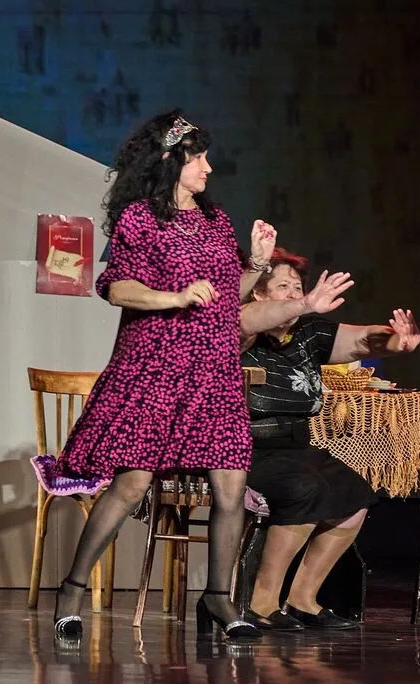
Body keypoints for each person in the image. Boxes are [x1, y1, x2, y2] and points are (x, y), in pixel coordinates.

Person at [50, 109, 277, 641]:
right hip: (157, 368)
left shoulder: (216, 221)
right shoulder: (140, 219)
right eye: (199, 158)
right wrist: (175, 297)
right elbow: (117, 287)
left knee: (231, 483)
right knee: (132, 483)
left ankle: (218, 598)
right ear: (171, 160)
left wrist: (257, 265)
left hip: (215, 370)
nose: (208, 168)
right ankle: (73, 589)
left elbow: (226, 297)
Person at [238, 247, 420, 630]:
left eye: (298, 287)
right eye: (283, 287)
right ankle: (262, 603)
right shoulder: (241, 331)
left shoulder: (307, 333)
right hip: (247, 446)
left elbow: (362, 340)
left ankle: (302, 599)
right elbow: (242, 323)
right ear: (258, 292)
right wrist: (301, 303)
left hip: (296, 444)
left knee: (355, 494)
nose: (294, 294)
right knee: (305, 490)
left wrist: (396, 341)